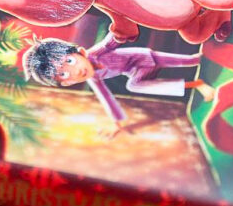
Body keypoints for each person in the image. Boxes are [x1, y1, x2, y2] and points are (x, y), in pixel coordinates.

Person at [23, 34, 215, 137]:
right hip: (138, 74)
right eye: (64, 74)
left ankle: (212, 47)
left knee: (195, 60)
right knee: (135, 86)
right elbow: (106, 98)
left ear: (80, 52)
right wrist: (116, 124)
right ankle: (197, 84)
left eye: (70, 62)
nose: (76, 71)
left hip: (145, 58)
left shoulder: (95, 54)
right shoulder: (94, 78)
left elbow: (112, 40)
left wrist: (119, 29)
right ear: (67, 82)